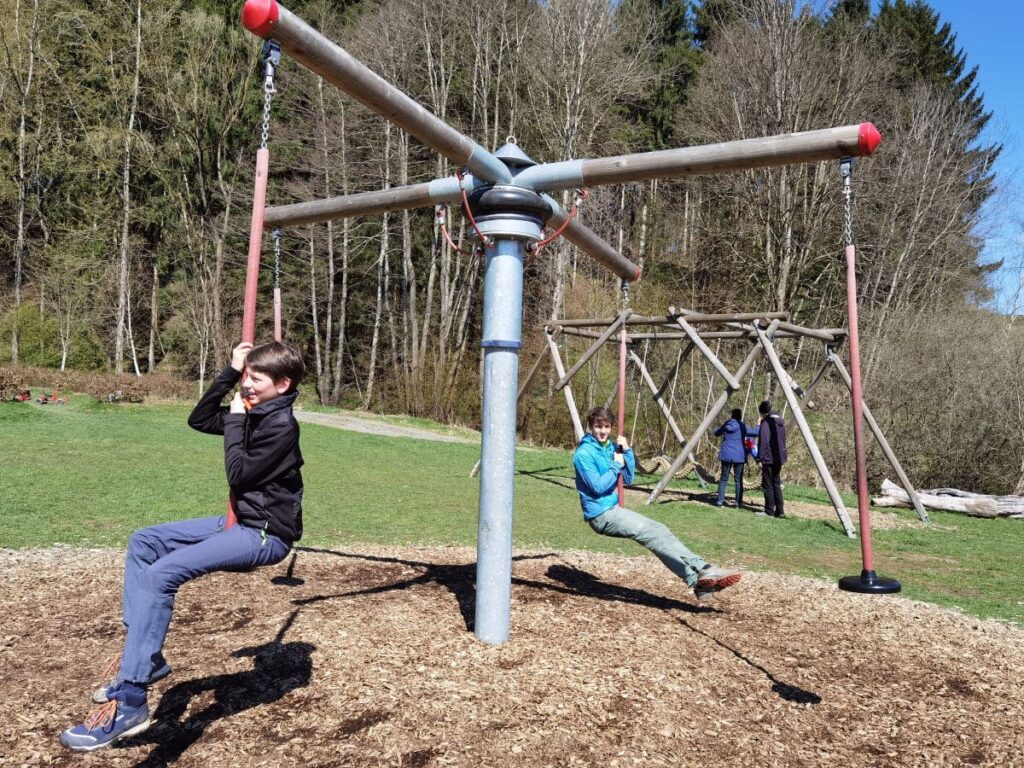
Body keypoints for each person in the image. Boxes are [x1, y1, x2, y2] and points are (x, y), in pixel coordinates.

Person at [59, 340, 306, 752]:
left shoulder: (281, 426)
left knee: (162, 574)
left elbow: (239, 474)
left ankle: (133, 699)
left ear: (282, 384)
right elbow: (199, 418)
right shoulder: (254, 409)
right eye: (246, 376)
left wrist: (237, 418)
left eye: (255, 379)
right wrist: (230, 373)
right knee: (145, 542)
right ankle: (148, 657)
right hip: (239, 522)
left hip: (265, 533)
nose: (247, 385)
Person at [572, 406, 741, 601]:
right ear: (591, 427)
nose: (603, 431)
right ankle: (703, 569)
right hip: (601, 514)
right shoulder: (583, 454)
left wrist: (626, 452)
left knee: (660, 529)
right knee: (651, 533)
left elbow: (627, 479)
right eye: (598, 426)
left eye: (607, 426)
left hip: (612, 509)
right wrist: (616, 464)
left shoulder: (610, 447)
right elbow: (597, 487)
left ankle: (699, 581)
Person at [712, 408, 756, 508]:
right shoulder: (743, 426)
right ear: (740, 416)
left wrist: (717, 428)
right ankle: (738, 503)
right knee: (738, 479)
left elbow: (716, 433)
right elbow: (755, 433)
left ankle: (720, 501)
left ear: (732, 415)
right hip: (739, 455)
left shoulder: (726, 424)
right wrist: (758, 425)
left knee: (723, 479)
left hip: (726, 454)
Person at [757, 400, 788, 518]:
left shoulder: (766, 422)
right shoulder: (780, 421)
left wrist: (760, 458)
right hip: (779, 457)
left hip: (769, 457)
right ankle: (780, 510)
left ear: (763, 412)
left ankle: (769, 510)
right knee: (776, 483)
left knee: (768, 484)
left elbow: (764, 441)